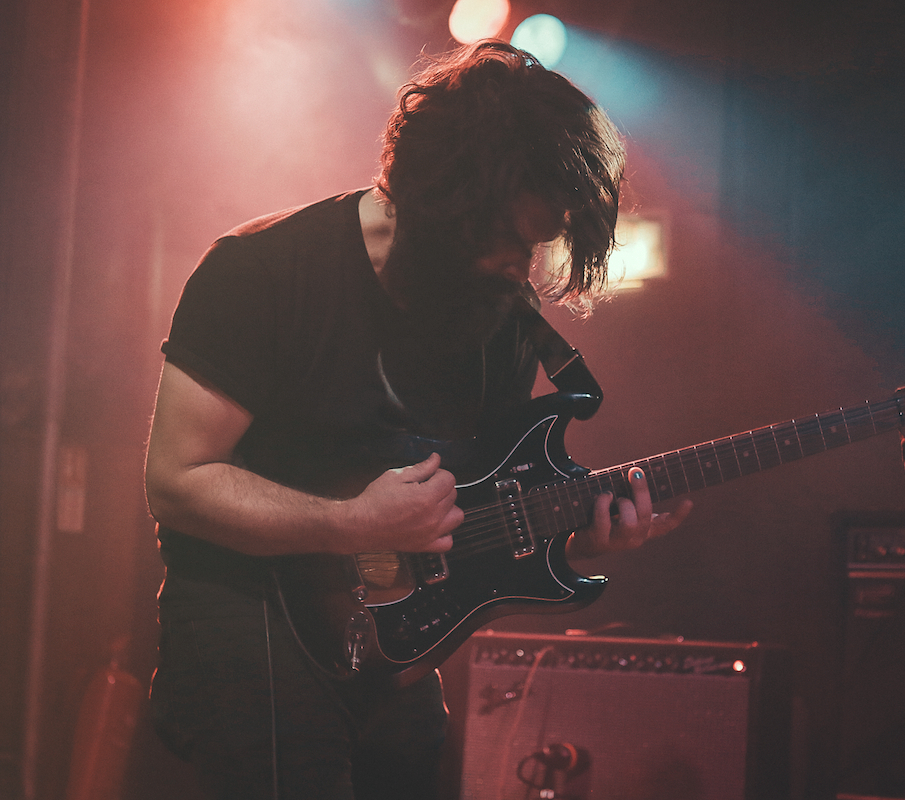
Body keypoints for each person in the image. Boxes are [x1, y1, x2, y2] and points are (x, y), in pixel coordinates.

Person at [143, 40, 692, 800]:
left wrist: (578, 529)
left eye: (536, 245)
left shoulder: (502, 320)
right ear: (445, 206)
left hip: (395, 652)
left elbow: (471, 512)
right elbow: (177, 481)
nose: (522, 268)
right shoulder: (260, 272)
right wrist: (352, 523)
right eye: (508, 242)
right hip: (251, 621)